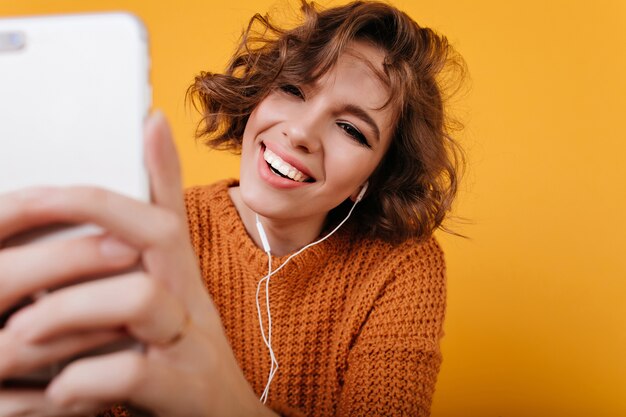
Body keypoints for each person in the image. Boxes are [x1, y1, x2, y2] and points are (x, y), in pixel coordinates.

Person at [0, 0, 464, 416]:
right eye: (293, 89)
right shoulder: (154, 229)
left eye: (350, 129)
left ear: (374, 178)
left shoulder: (402, 268)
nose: (300, 132)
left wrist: (218, 401)